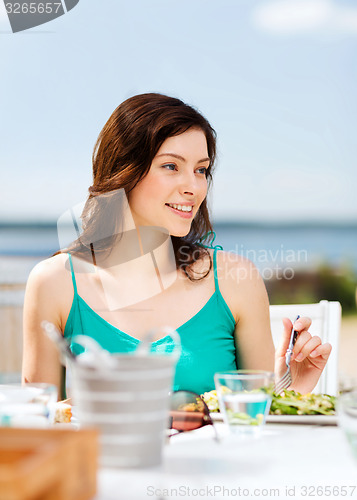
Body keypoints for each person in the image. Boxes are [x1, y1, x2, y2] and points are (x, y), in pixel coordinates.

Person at [22, 93, 332, 398]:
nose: (194, 187)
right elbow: (36, 430)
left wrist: (292, 388)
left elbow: (254, 423)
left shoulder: (236, 280)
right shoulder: (55, 283)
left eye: (201, 170)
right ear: (123, 171)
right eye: (171, 166)